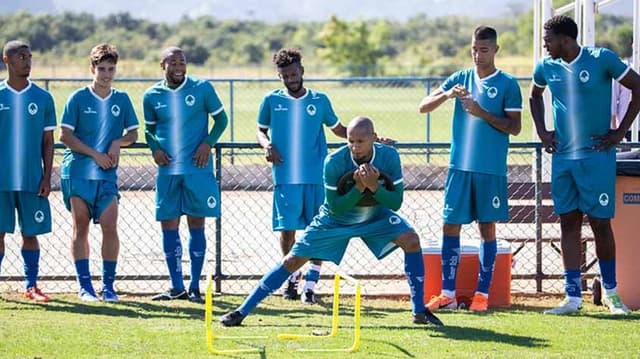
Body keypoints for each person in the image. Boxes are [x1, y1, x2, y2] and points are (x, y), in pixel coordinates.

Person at [219, 116, 443, 327]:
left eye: (361, 141)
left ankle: (419, 311)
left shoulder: (389, 156)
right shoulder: (334, 161)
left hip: (376, 216)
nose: (355, 146)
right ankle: (242, 311)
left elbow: (395, 202)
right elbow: (336, 207)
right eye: (351, 141)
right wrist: (359, 188)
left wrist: (374, 187)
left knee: (412, 240)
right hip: (334, 220)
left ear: (374, 137)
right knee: (291, 261)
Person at [530, 15, 640, 315]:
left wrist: (619, 133)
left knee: (600, 224)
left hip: (596, 158)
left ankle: (612, 294)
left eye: (548, 39)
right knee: (568, 223)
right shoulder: (546, 66)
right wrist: (542, 131)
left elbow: (637, 87)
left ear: (565, 39)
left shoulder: (601, 58)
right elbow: (534, 97)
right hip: (564, 158)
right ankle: (572, 297)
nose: (544, 45)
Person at [418, 26, 522, 312]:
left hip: (490, 170)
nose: (478, 55)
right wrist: (447, 94)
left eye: (484, 50)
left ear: (495, 50)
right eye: (474, 49)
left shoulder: (508, 84)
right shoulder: (460, 79)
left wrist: (482, 113)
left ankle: (482, 295)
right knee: (450, 225)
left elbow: (515, 127)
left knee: (486, 228)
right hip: (459, 168)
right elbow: (423, 107)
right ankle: (448, 294)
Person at [257, 48, 347, 304]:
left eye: (294, 74)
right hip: (285, 178)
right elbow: (260, 130)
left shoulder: (319, 101)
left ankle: (310, 285)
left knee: (315, 232)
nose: (291, 79)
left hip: (316, 179)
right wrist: (266, 145)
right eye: (286, 76)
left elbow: (338, 129)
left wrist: (367, 136)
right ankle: (291, 280)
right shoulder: (271, 100)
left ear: (302, 72)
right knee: (287, 233)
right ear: (279, 76)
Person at [143, 47, 228, 303]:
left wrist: (208, 143)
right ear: (162, 66)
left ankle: (194, 287)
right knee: (168, 227)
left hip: (197, 170)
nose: (179, 67)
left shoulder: (202, 88)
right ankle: (176, 286)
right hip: (168, 171)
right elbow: (148, 130)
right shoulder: (151, 95)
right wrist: (155, 147)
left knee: (196, 227)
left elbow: (221, 120)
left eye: (182, 62)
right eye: (173, 63)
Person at [59, 44, 139, 302]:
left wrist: (118, 142)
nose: (106, 74)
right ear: (92, 69)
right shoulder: (78, 98)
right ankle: (85, 287)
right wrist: (95, 154)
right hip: (79, 174)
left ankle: (108, 286)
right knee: (80, 226)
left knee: (110, 226)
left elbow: (134, 134)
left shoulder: (122, 99)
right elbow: (65, 135)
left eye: (111, 69)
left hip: (106, 177)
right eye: (101, 69)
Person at [0, 40, 56, 302]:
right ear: (7, 60)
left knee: (30, 233)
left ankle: (31, 286)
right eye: (22, 57)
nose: (28, 61)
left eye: (30, 57)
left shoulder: (43, 98)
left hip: (33, 180)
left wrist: (46, 176)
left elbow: (48, 141)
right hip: (1, 181)